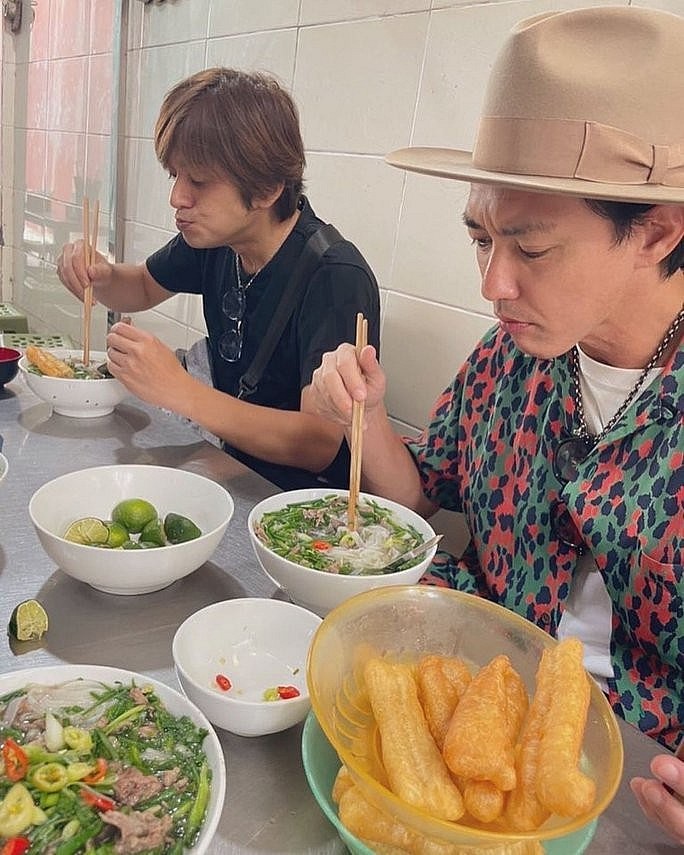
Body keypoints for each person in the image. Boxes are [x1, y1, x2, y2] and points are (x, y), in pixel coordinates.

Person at [308, 6, 684, 844]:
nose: (493, 284)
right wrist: (367, 418)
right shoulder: (507, 357)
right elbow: (424, 491)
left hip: (637, 788)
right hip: (463, 710)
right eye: (479, 236)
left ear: (656, 230)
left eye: (531, 247)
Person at [57, 67, 380, 490]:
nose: (177, 198)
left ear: (266, 189)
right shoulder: (215, 240)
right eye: (176, 176)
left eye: (200, 182)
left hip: (298, 506)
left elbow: (316, 443)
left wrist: (180, 392)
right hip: (229, 469)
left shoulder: (334, 276)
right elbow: (140, 286)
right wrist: (94, 271)